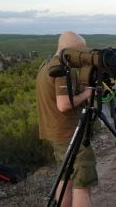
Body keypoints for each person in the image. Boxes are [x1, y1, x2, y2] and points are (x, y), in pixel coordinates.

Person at [36, 31, 97, 207]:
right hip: (69, 133)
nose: (82, 58)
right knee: (82, 184)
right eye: (80, 53)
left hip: (55, 131)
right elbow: (63, 104)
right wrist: (88, 92)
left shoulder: (47, 65)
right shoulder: (63, 69)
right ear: (70, 51)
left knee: (66, 178)